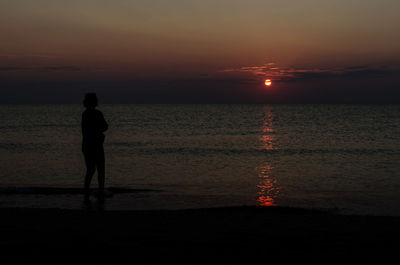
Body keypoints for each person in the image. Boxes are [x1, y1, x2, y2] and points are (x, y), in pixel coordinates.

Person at [81, 93, 108, 201]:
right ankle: (97, 191)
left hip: (89, 145)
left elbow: (105, 126)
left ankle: (87, 191)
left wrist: (99, 131)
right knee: (98, 169)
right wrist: (99, 131)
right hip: (94, 145)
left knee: (92, 169)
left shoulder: (86, 114)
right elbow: (104, 126)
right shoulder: (94, 114)